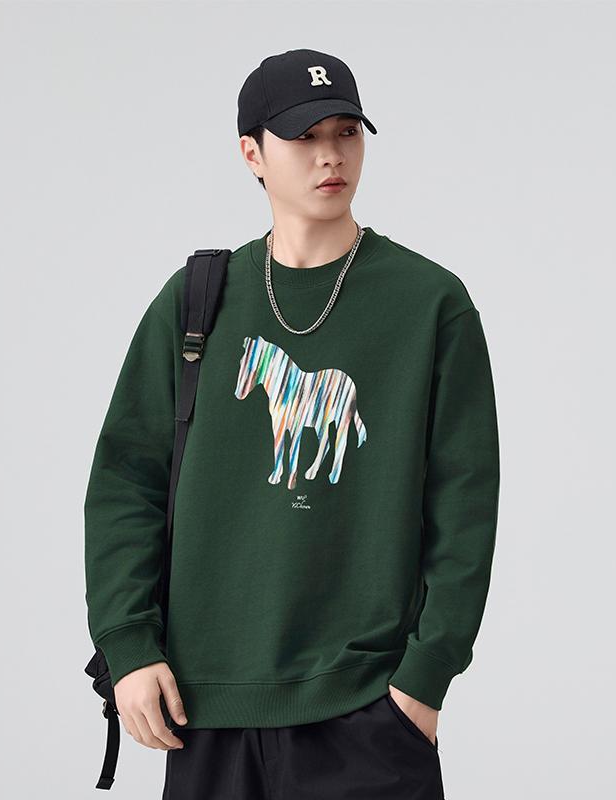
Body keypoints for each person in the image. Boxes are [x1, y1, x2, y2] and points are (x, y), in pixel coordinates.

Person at [84, 48, 500, 799]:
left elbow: (464, 505)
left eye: (346, 132)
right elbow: (126, 480)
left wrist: (423, 682)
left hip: (367, 706)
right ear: (252, 153)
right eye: (303, 137)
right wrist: (128, 644)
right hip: (208, 703)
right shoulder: (196, 301)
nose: (330, 155)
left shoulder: (430, 304)